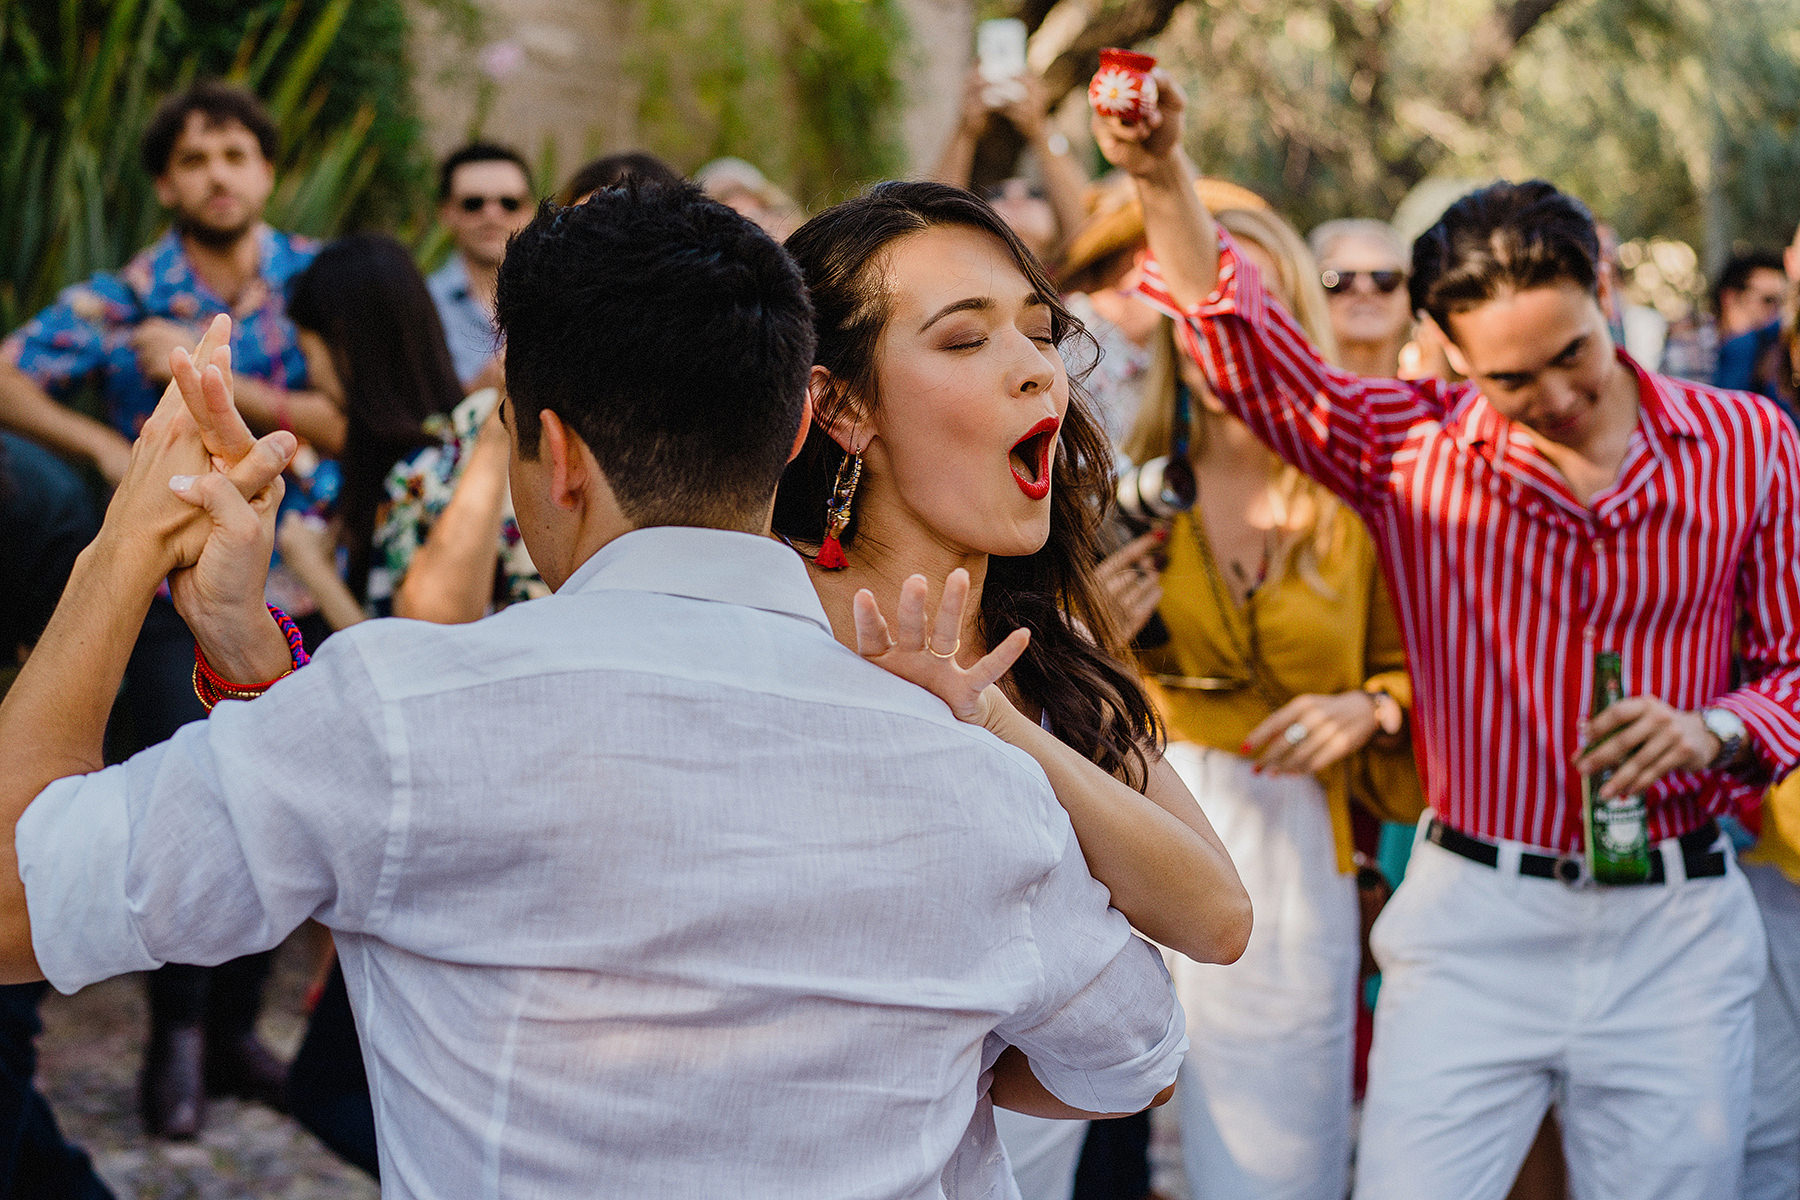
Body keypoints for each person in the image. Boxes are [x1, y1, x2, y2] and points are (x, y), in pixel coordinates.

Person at [0, 182, 1190, 1198]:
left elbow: (15, 904)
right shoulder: (972, 768)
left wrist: (121, 550)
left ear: (556, 453)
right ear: (795, 429)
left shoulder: (401, 720)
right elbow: (1131, 1060)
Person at [1096, 75, 1800, 1200]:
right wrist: (1157, 171)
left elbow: (1791, 668)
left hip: (1677, 925)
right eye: (1512, 379)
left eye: (1574, 353)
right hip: (1475, 919)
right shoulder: (1409, 445)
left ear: (1603, 290)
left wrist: (1713, 729)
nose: (1557, 396)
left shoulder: (1750, 443)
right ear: (1446, 349)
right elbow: (1248, 352)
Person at [771, 179, 1250, 1200]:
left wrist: (995, 721)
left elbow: (1216, 917)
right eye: (964, 340)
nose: (1037, 369)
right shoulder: (770, 612)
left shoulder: (1044, 650)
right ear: (843, 407)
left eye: (1039, 333)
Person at [0, 79, 336, 1141]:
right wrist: (106, 448)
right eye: (194, 159)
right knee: (200, 792)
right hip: (172, 587)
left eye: (235, 155)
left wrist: (219, 385)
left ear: (266, 170)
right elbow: (7, 374)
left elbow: (359, 409)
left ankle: (238, 1033)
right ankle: (179, 1036)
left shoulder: (318, 278)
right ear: (164, 183)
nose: (217, 176)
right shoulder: (123, 295)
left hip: (310, 574)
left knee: (296, 799)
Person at [1116, 203, 1423, 1200]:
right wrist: (1097, 634)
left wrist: (1370, 707)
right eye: (1200, 310)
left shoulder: (1360, 490)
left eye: (1252, 312)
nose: (1224, 337)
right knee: (1081, 1143)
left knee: (1273, 1164)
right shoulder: (1120, 481)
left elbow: (1425, 666)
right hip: (1131, 815)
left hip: (1291, 840)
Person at [427, 142, 537, 391]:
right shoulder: (421, 303)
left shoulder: (558, 296)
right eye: (473, 204)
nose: (491, 215)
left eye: (509, 203)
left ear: (530, 210)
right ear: (445, 213)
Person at [1307, 218, 1413, 378]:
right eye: (1339, 278)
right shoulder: (1281, 391)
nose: (1364, 288)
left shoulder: (1441, 391)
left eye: (1385, 277)